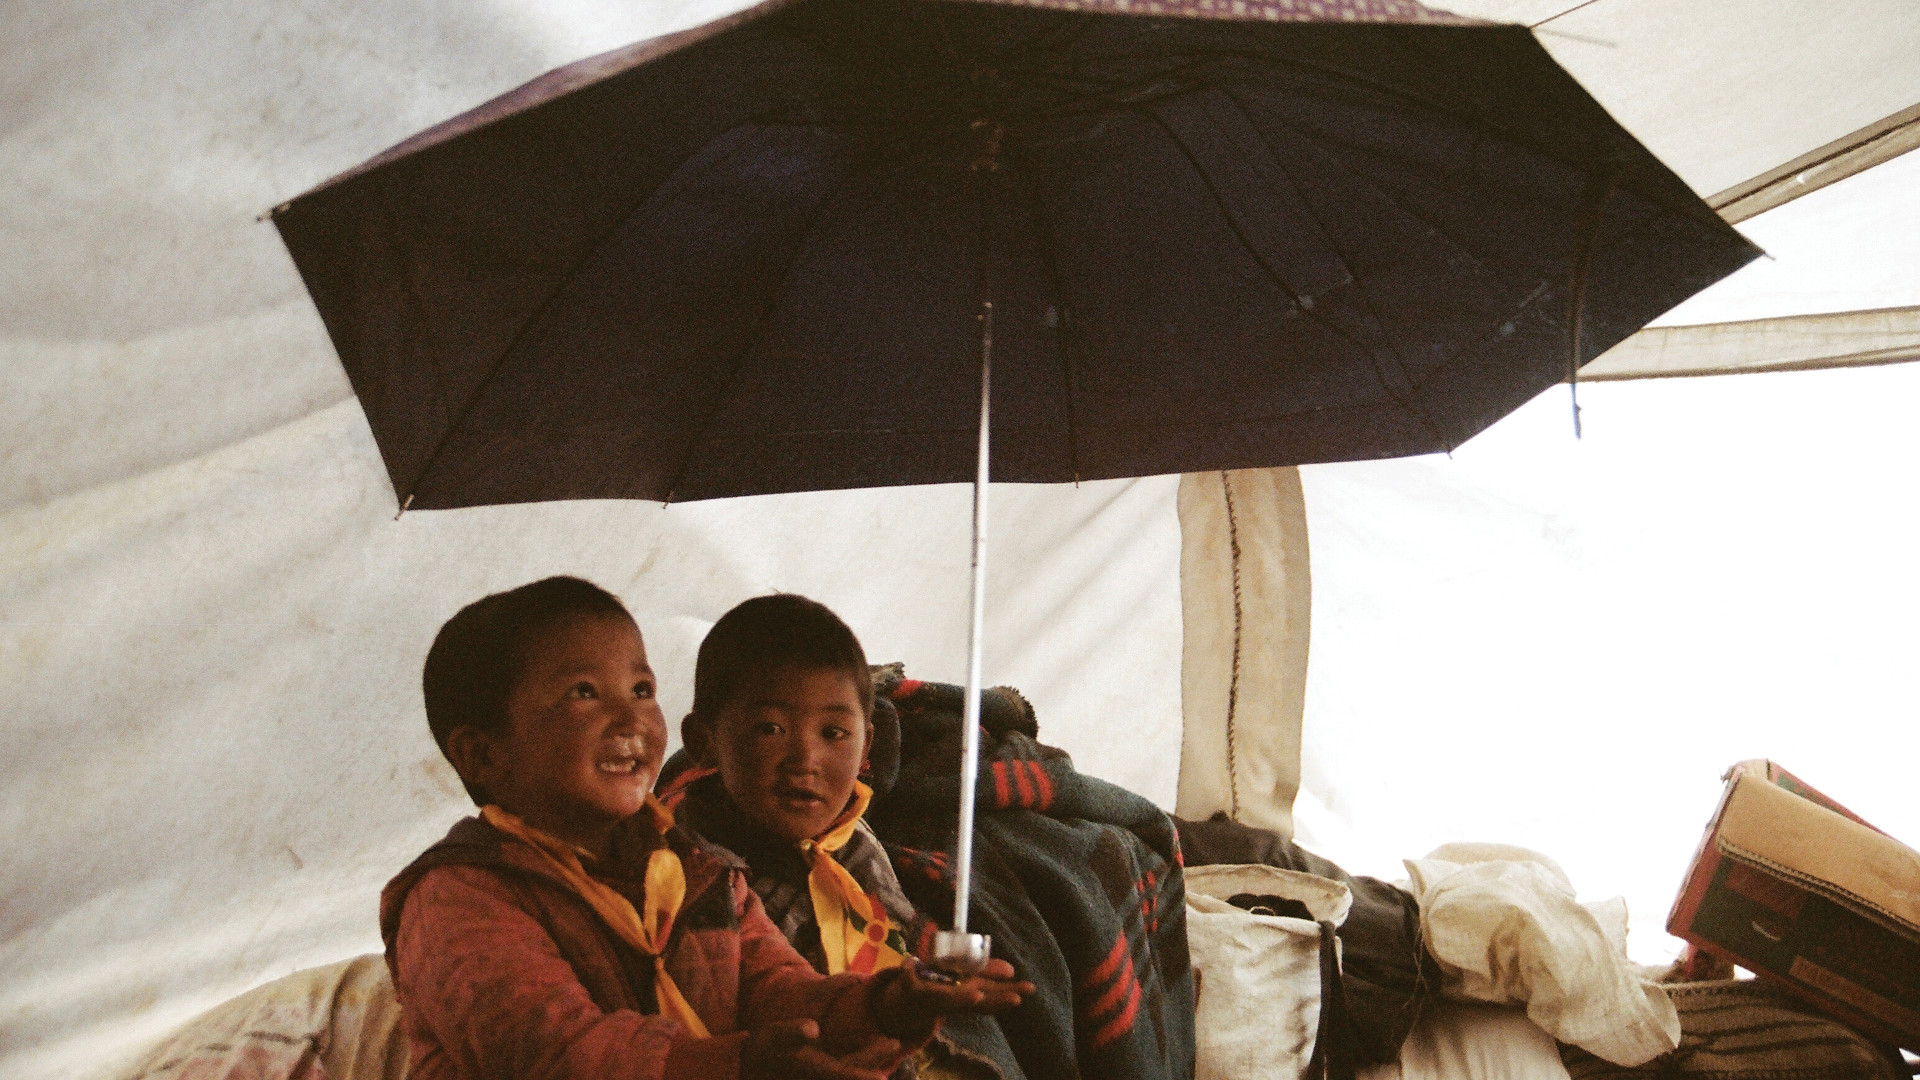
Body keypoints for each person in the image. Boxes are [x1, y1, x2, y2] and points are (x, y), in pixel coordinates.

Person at [380, 576, 1028, 1080]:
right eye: (584, 693)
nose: (630, 719)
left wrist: (887, 1006)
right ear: (482, 754)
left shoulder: (697, 871)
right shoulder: (459, 898)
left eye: (640, 688)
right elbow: (560, 1056)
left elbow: (779, 993)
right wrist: (739, 1066)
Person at [664, 594, 1026, 1079]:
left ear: (866, 747)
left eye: (834, 733)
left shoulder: (853, 840)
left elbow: (899, 942)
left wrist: (927, 987)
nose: (805, 758)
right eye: (770, 728)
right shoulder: (695, 868)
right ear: (703, 740)